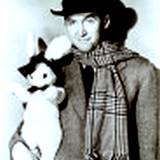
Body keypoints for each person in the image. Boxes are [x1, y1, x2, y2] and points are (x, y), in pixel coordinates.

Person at [49, 0, 159, 160]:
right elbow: (32, 123)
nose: (80, 32)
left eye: (89, 21)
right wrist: (18, 147)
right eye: (72, 22)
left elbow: (151, 146)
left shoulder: (142, 71)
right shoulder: (57, 69)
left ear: (105, 22)